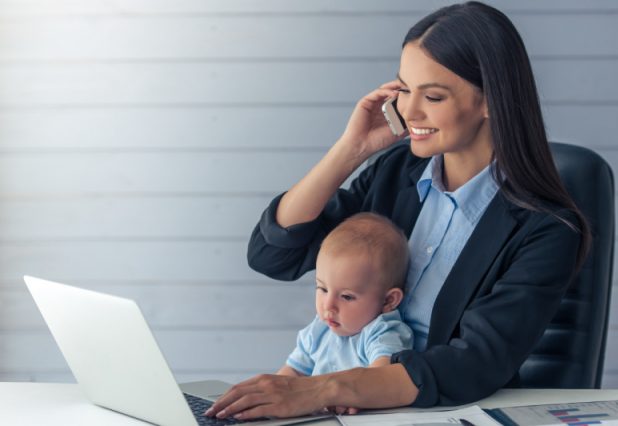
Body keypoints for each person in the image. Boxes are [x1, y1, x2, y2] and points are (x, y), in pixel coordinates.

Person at [206, 1, 591, 420]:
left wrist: (317, 389)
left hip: (431, 412)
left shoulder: (546, 228)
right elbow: (274, 256)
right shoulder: (397, 172)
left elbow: (475, 365)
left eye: (434, 96)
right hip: (342, 407)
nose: (409, 111)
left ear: (490, 102)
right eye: (405, 89)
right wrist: (349, 152)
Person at [277, 212, 413, 381]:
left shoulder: (382, 332)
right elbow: (293, 372)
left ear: (388, 300)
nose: (328, 305)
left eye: (347, 296)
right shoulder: (319, 330)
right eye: (322, 289)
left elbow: (381, 377)